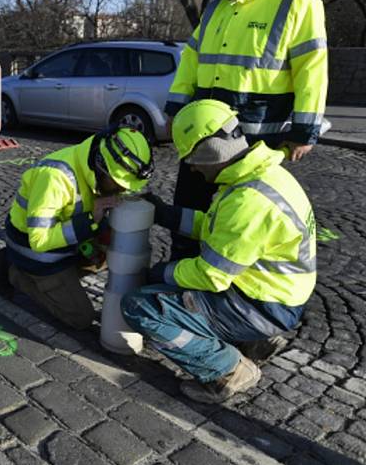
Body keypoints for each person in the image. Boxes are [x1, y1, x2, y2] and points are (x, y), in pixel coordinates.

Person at [123, 100, 316, 403]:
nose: (192, 168)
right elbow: (217, 230)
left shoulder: (248, 201)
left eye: (191, 159)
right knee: (169, 287)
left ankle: (228, 370)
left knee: (142, 306)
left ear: (210, 152)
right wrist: (165, 214)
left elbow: (211, 276)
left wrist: (159, 273)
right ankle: (251, 342)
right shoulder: (257, 176)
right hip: (270, 292)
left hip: (261, 304)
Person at [165, 0, 327, 260]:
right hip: (202, 136)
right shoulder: (216, 8)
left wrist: (305, 130)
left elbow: (312, 69)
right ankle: (180, 275)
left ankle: (225, 283)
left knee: (239, 218)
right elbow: (191, 59)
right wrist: (175, 108)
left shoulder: (297, 2)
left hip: (252, 143)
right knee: (190, 209)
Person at [0, 126, 153, 330]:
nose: (122, 190)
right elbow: (39, 240)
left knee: (116, 253)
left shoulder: (92, 168)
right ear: (100, 166)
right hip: (36, 255)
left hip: (66, 247)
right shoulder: (54, 178)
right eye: (118, 184)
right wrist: (89, 220)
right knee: (81, 318)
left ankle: (62, 279)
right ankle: (13, 272)